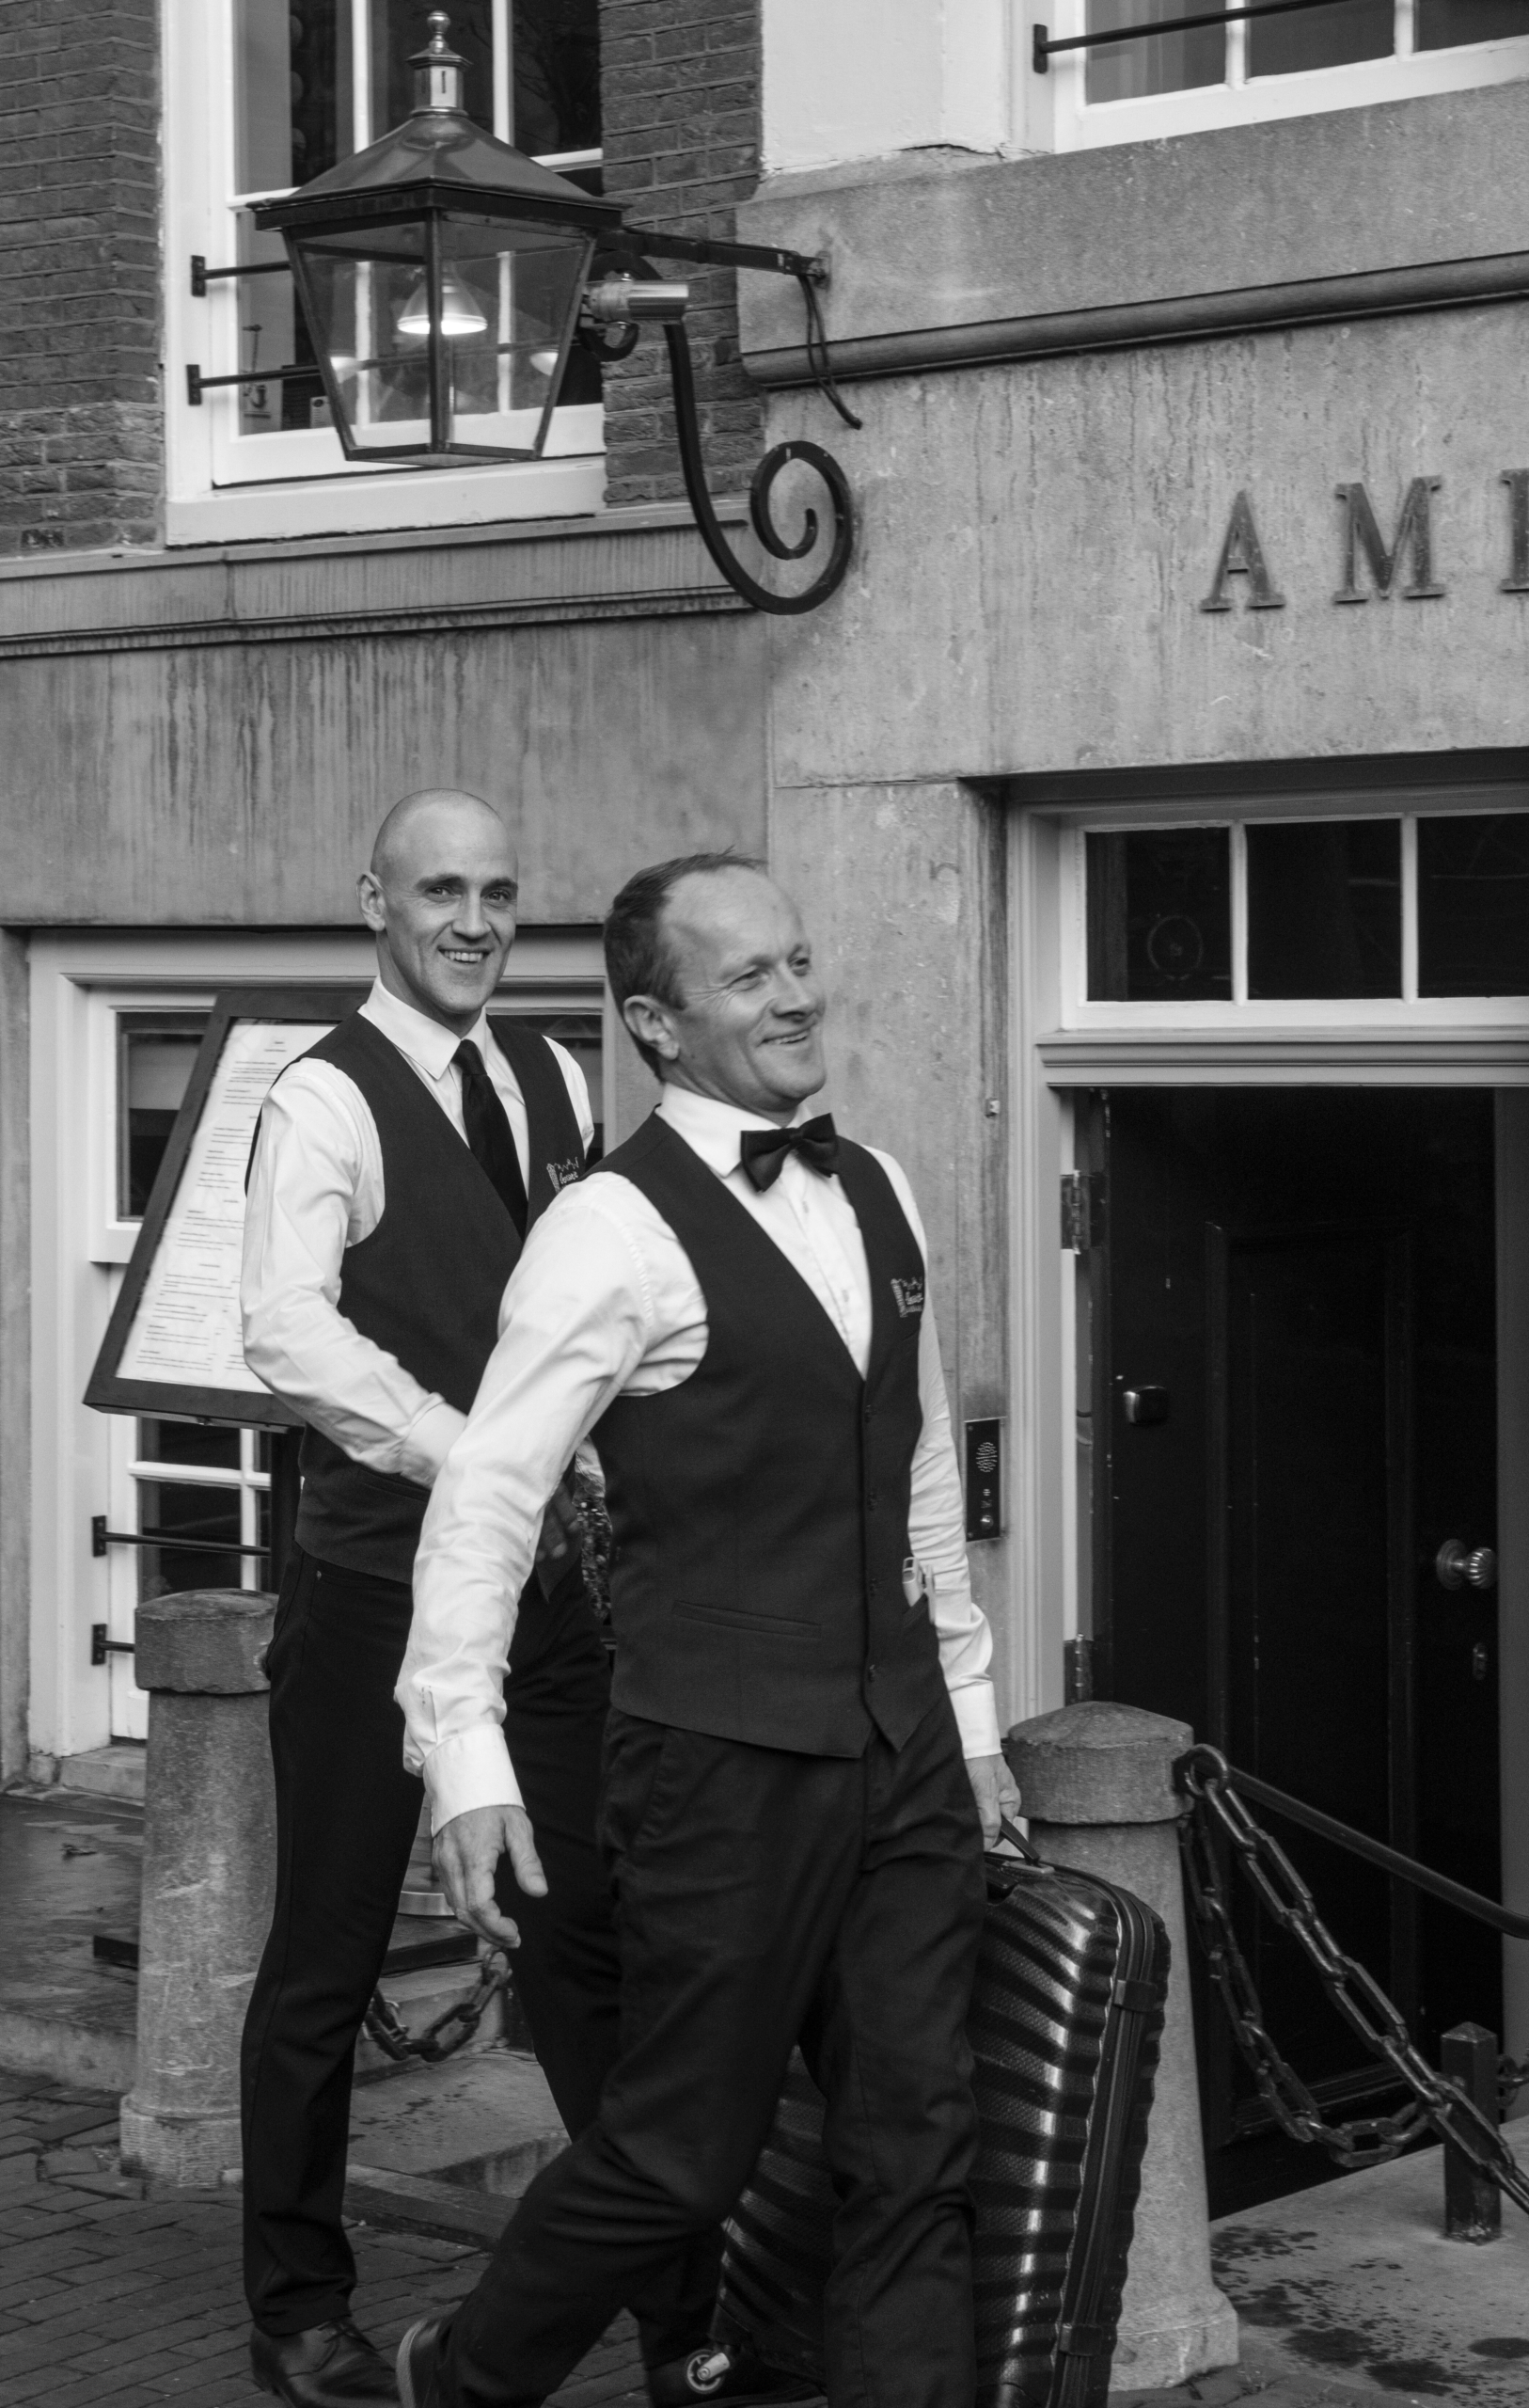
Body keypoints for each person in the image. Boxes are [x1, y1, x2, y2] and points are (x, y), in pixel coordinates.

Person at [392, 851, 1022, 2408]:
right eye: (749, 977)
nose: (798, 994)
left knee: (920, 2150)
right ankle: (466, 2379)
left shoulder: (878, 1184)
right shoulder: (608, 1227)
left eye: (798, 959)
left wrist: (976, 1718)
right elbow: (488, 1488)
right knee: (682, 2157)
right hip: (720, 1769)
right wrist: (464, 1754)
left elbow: (922, 1465)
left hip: (906, 1756)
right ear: (657, 1027)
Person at [238, 797, 774, 2408]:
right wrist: (478, 1454)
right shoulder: (320, 1096)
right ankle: (295, 2309)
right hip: (367, 1586)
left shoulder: (550, 1073)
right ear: (375, 904)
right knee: (326, 1961)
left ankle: (679, 2315)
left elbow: (593, 1290)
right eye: (441, 891)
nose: (474, 920)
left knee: (589, 1943)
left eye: (498, 893)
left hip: (544, 1596)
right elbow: (287, 1333)